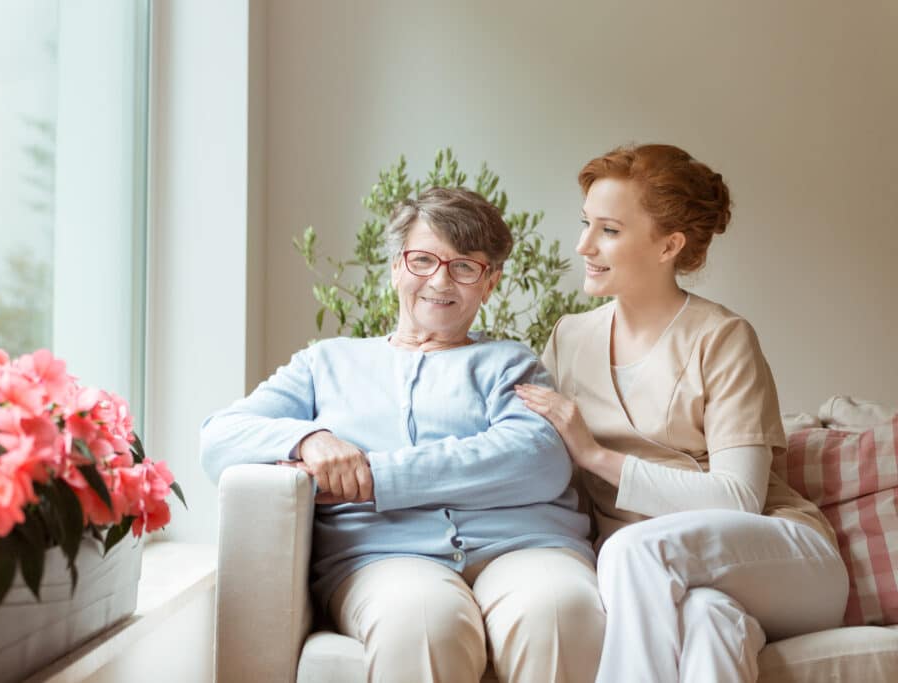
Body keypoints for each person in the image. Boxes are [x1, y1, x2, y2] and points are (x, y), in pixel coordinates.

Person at [201, 187, 604, 683]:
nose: (440, 279)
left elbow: (537, 460)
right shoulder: (325, 364)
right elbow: (219, 436)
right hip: (385, 556)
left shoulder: (511, 363)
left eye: (464, 266)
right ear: (396, 267)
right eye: (422, 260)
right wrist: (310, 439)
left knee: (560, 609)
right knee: (423, 620)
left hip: (526, 547)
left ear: (490, 281)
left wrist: (374, 475)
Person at [515, 143, 848, 682]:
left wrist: (596, 455)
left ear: (669, 244)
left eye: (609, 230)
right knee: (709, 622)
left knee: (628, 552)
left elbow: (739, 499)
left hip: (783, 560)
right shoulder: (569, 339)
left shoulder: (722, 338)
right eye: (585, 224)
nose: (583, 245)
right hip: (684, 580)